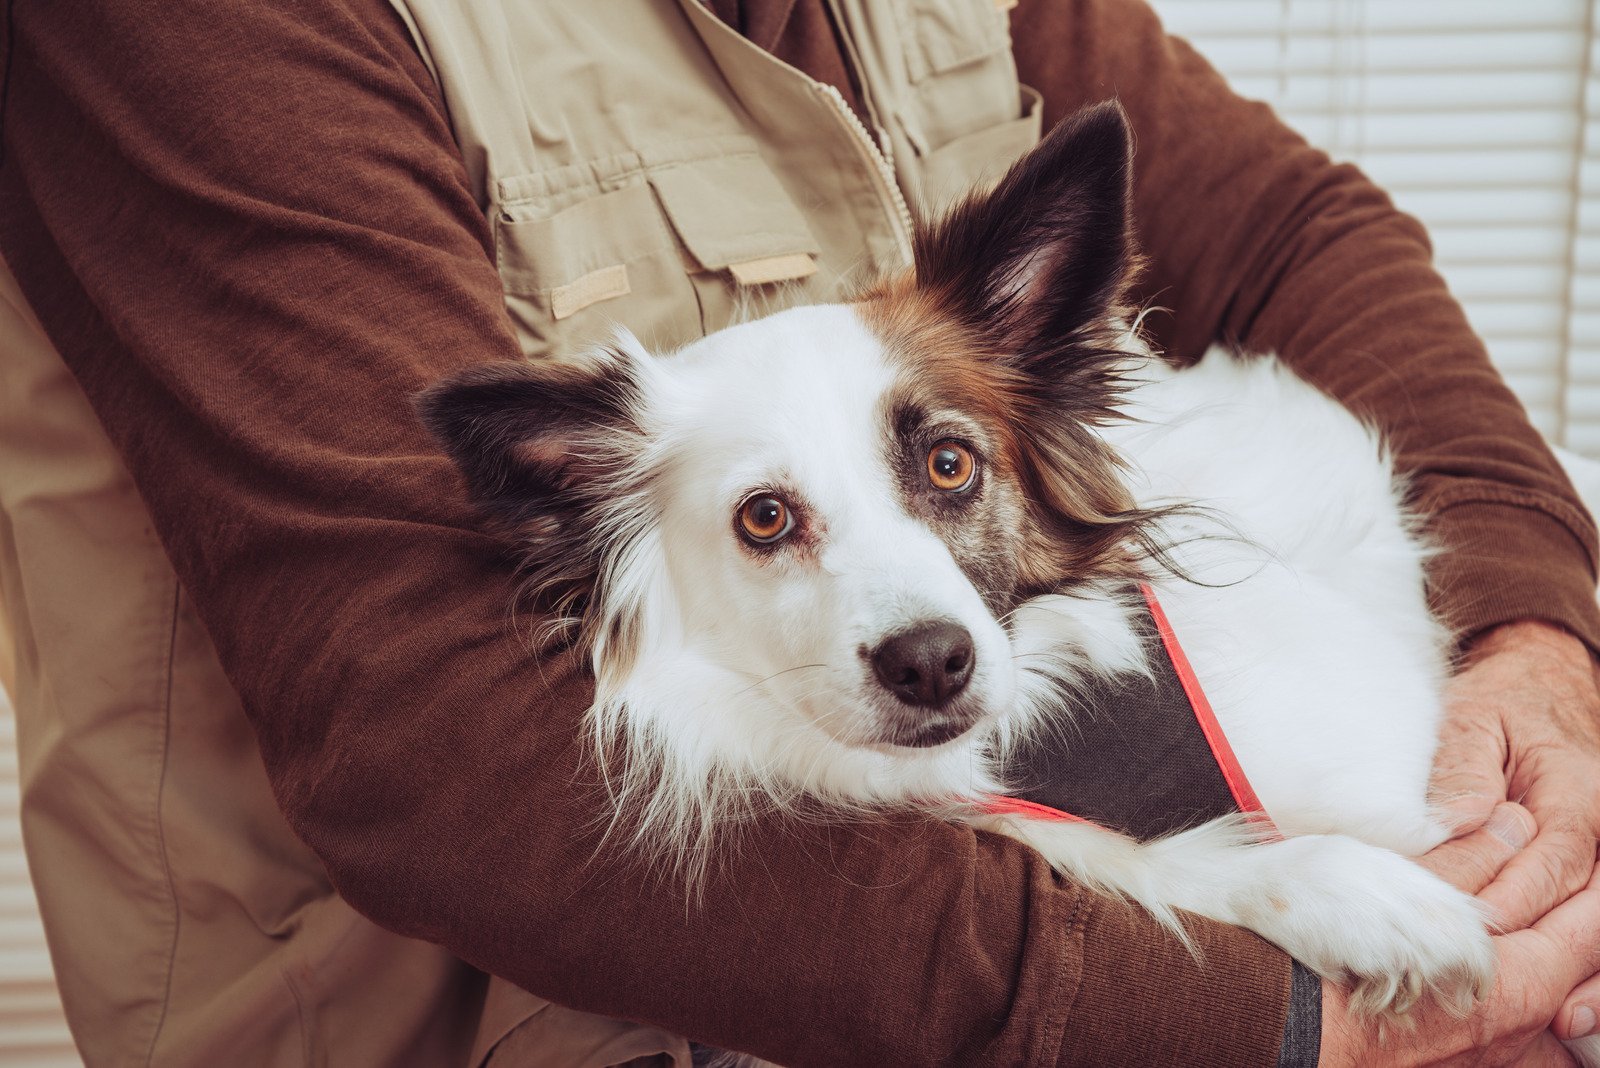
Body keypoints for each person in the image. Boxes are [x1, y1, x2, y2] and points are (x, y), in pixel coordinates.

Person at [0, 1, 1597, 1064]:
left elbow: (1296, 236)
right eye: (772, 517)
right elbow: (436, 752)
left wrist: (1538, 634)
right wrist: (1269, 1012)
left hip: (1031, 884)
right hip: (529, 1010)